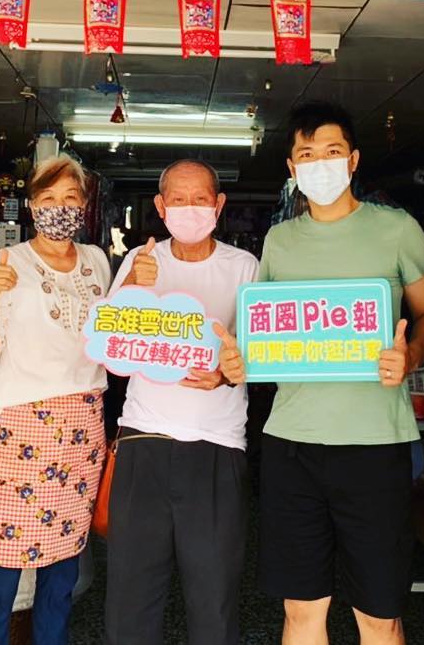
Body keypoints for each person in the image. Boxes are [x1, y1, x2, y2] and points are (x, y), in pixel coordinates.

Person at [217, 101, 424, 645]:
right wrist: (237, 361)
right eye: (307, 155)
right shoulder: (280, 240)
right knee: (300, 609)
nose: (320, 164)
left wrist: (411, 355)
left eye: (332, 152)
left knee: (379, 615)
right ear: (292, 168)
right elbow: (262, 333)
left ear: (353, 160)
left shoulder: (397, 230)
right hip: (292, 445)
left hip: (376, 445)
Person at [102, 160, 258, 645]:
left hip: (217, 445)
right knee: (130, 595)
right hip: (143, 440)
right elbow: (111, 349)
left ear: (219, 205)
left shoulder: (245, 267)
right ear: (160, 205)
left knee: (214, 596)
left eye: (201, 199)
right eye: (179, 199)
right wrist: (134, 284)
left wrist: (226, 373)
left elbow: (257, 354)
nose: (190, 208)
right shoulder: (140, 260)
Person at [0, 155, 110, 645]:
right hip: (23, 427)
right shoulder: (7, 262)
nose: (59, 208)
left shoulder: (97, 261)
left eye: (70, 197)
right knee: (0, 566)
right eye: (48, 198)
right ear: (31, 206)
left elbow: (111, 337)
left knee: (62, 570)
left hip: (82, 426)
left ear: (84, 205)